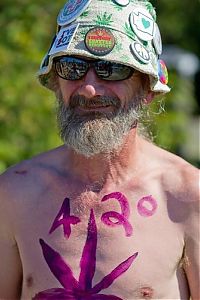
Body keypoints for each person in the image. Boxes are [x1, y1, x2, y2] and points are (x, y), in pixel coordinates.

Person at [0, 0, 199, 299]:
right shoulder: (15, 193)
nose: (89, 89)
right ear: (56, 81)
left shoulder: (186, 196)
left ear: (146, 87)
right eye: (73, 67)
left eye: (112, 69)